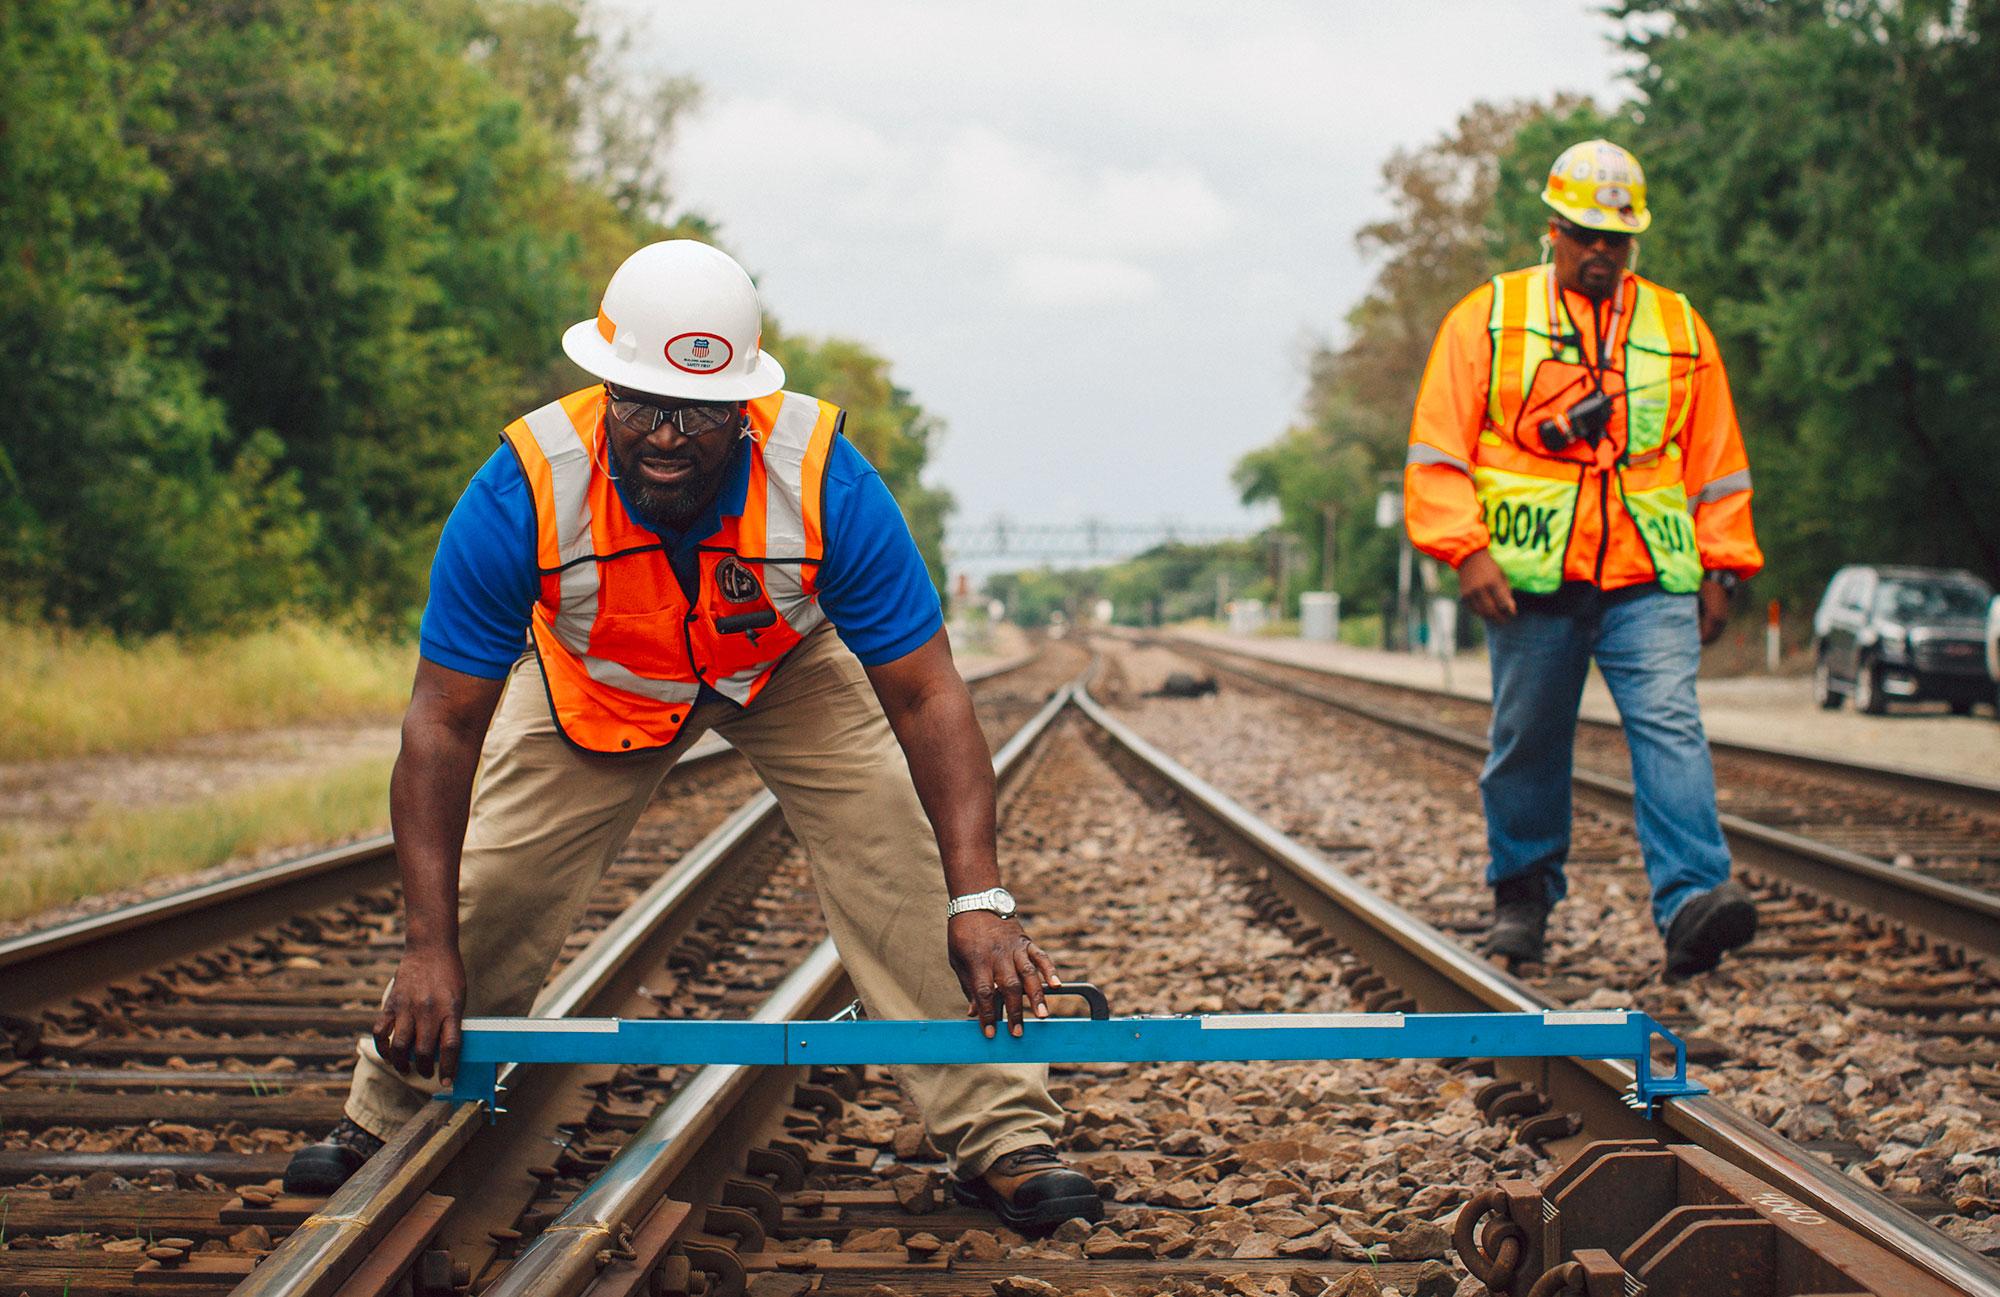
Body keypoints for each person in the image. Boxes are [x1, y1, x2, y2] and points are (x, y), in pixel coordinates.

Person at [284, 240, 1101, 1232]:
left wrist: (980, 897)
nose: (668, 434)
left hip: (784, 666)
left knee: (901, 852)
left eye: (700, 411)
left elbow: (929, 695)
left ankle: (1002, 1132)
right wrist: (424, 944)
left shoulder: (823, 478)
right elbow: (444, 719)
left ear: (743, 406)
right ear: (604, 384)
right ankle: (391, 1115)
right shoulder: (522, 489)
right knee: (489, 887)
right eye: (641, 402)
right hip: (601, 680)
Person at [1403, 140, 1764, 978]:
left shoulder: (1678, 327)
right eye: (1584, 234)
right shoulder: (1487, 318)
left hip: (1651, 578)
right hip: (1529, 581)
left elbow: (1719, 462)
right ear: (1553, 231)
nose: (1600, 251)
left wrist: (1724, 568)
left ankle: (1692, 903)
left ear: (1634, 242)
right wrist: (1466, 552)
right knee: (1528, 741)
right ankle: (1522, 898)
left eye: (1617, 238)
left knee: (1671, 726)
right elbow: (1435, 453)